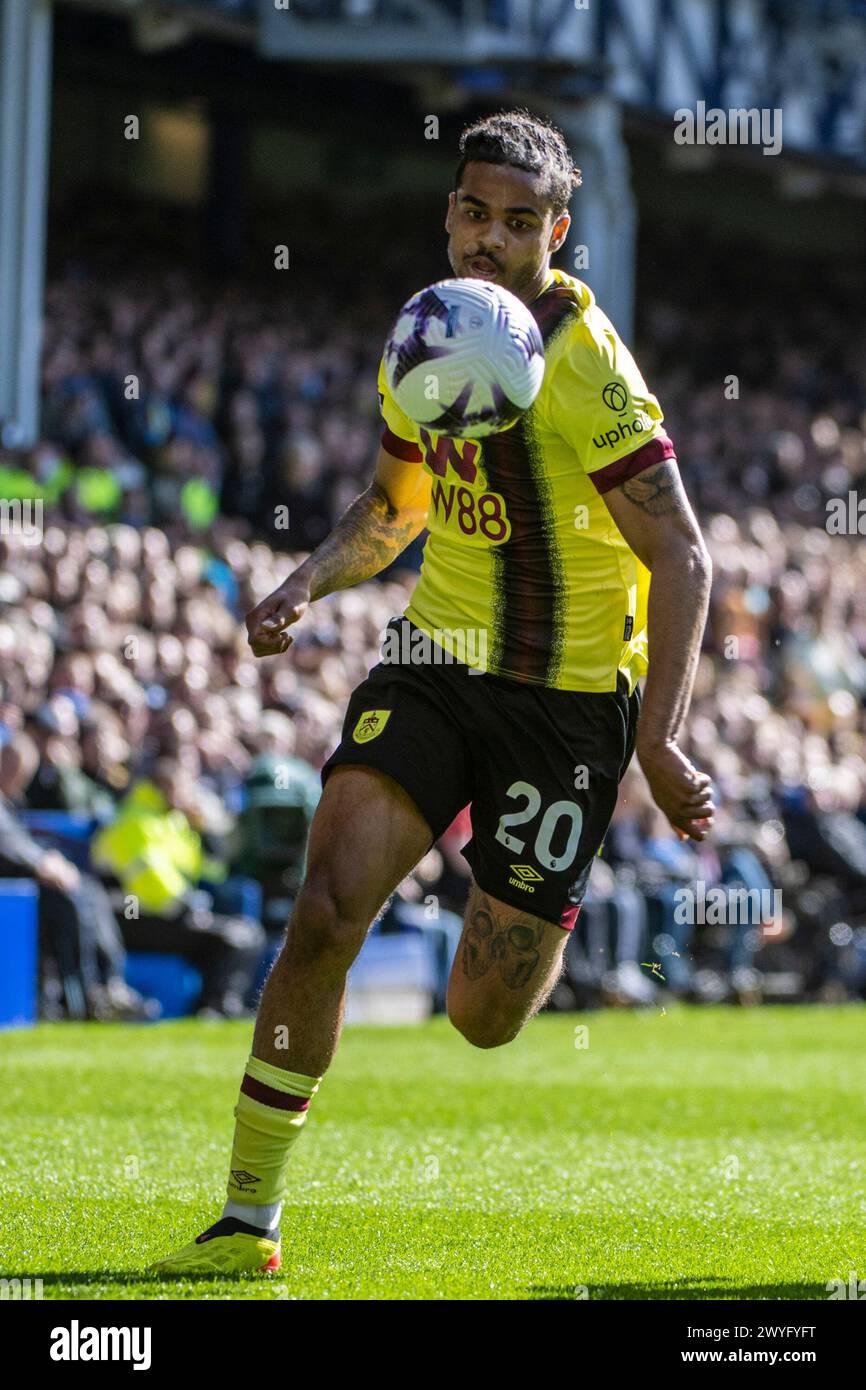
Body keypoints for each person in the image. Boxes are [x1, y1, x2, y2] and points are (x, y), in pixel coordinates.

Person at [153, 107, 715, 1276]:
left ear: (557, 231)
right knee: (325, 908)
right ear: (448, 211)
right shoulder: (423, 334)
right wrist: (304, 581)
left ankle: (519, 889)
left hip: (565, 705)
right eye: (472, 211)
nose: (488, 240)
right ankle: (245, 1218)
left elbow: (683, 556)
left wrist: (658, 740)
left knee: (480, 1015)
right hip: (429, 664)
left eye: (519, 223)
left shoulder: (582, 363)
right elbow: (397, 506)